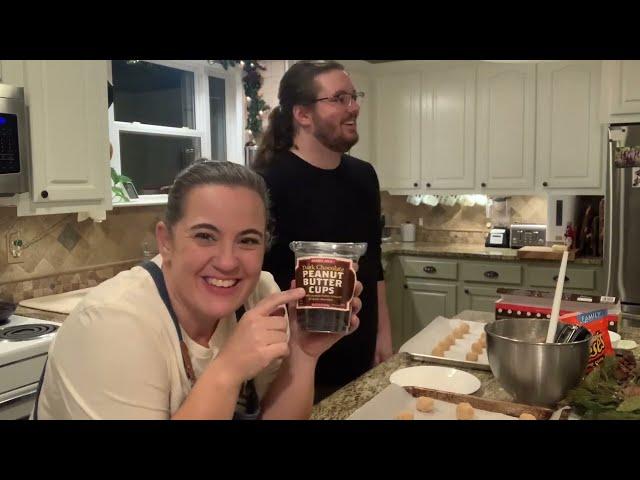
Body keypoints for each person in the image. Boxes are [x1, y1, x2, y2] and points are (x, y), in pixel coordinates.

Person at [34, 160, 362, 419]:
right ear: (166, 242)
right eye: (205, 236)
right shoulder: (113, 324)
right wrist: (228, 369)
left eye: (248, 240)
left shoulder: (259, 293)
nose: (227, 261)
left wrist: (304, 354)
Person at [254, 60, 392, 401]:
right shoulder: (266, 181)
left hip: (359, 353)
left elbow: (374, 263)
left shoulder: (364, 177)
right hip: (290, 366)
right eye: (340, 98)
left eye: (353, 96)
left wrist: (383, 333)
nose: (354, 107)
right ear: (302, 114)